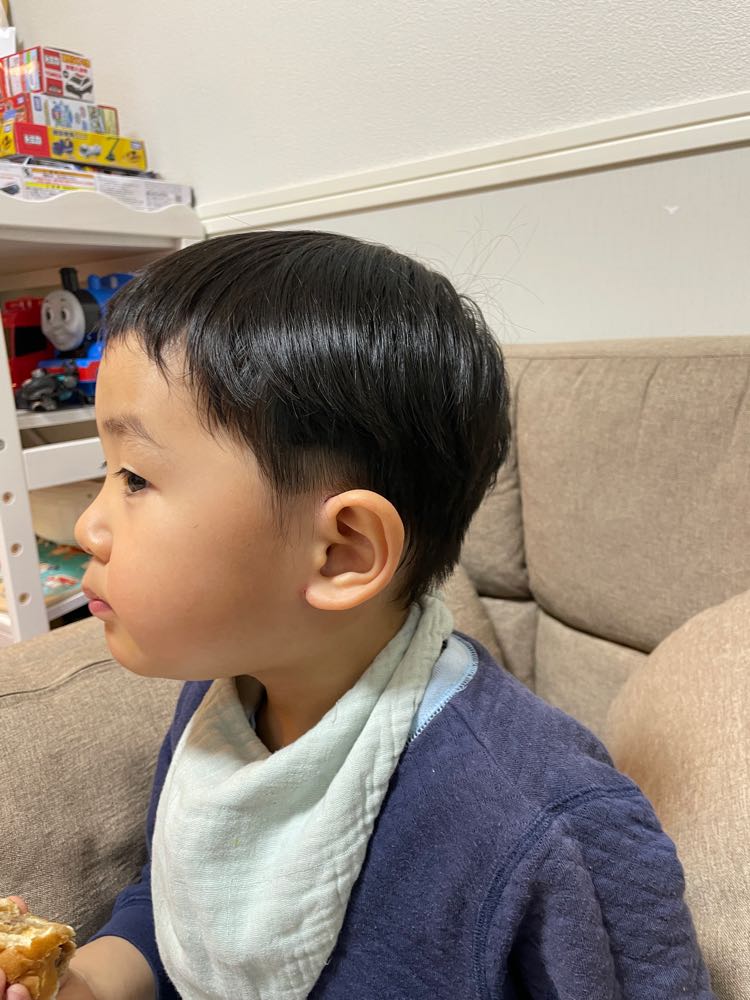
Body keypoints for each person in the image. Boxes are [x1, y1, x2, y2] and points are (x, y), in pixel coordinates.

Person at [2, 231, 714, 1000]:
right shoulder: (222, 701)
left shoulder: (546, 821)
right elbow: (180, 900)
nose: (88, 527)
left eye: (136, 478)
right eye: (105, 472)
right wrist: (85, 982)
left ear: (342, 553)